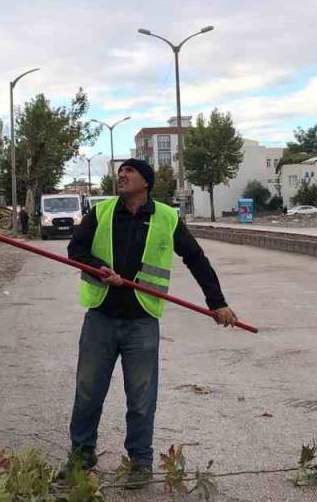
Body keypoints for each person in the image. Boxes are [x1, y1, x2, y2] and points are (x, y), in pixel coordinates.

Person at [60, 158, 237, 489]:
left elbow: (195, 258)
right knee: (87, 393)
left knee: (141, 398)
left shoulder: (167, 218)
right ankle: (81, 457)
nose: (122, 175)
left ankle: (140, 462)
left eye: (129, 171)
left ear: (146, 181)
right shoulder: (101, 212)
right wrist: (97, 267)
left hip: (141, 320)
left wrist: (217, 302)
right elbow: (76, 249)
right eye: (120, 171)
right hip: (100, 317)